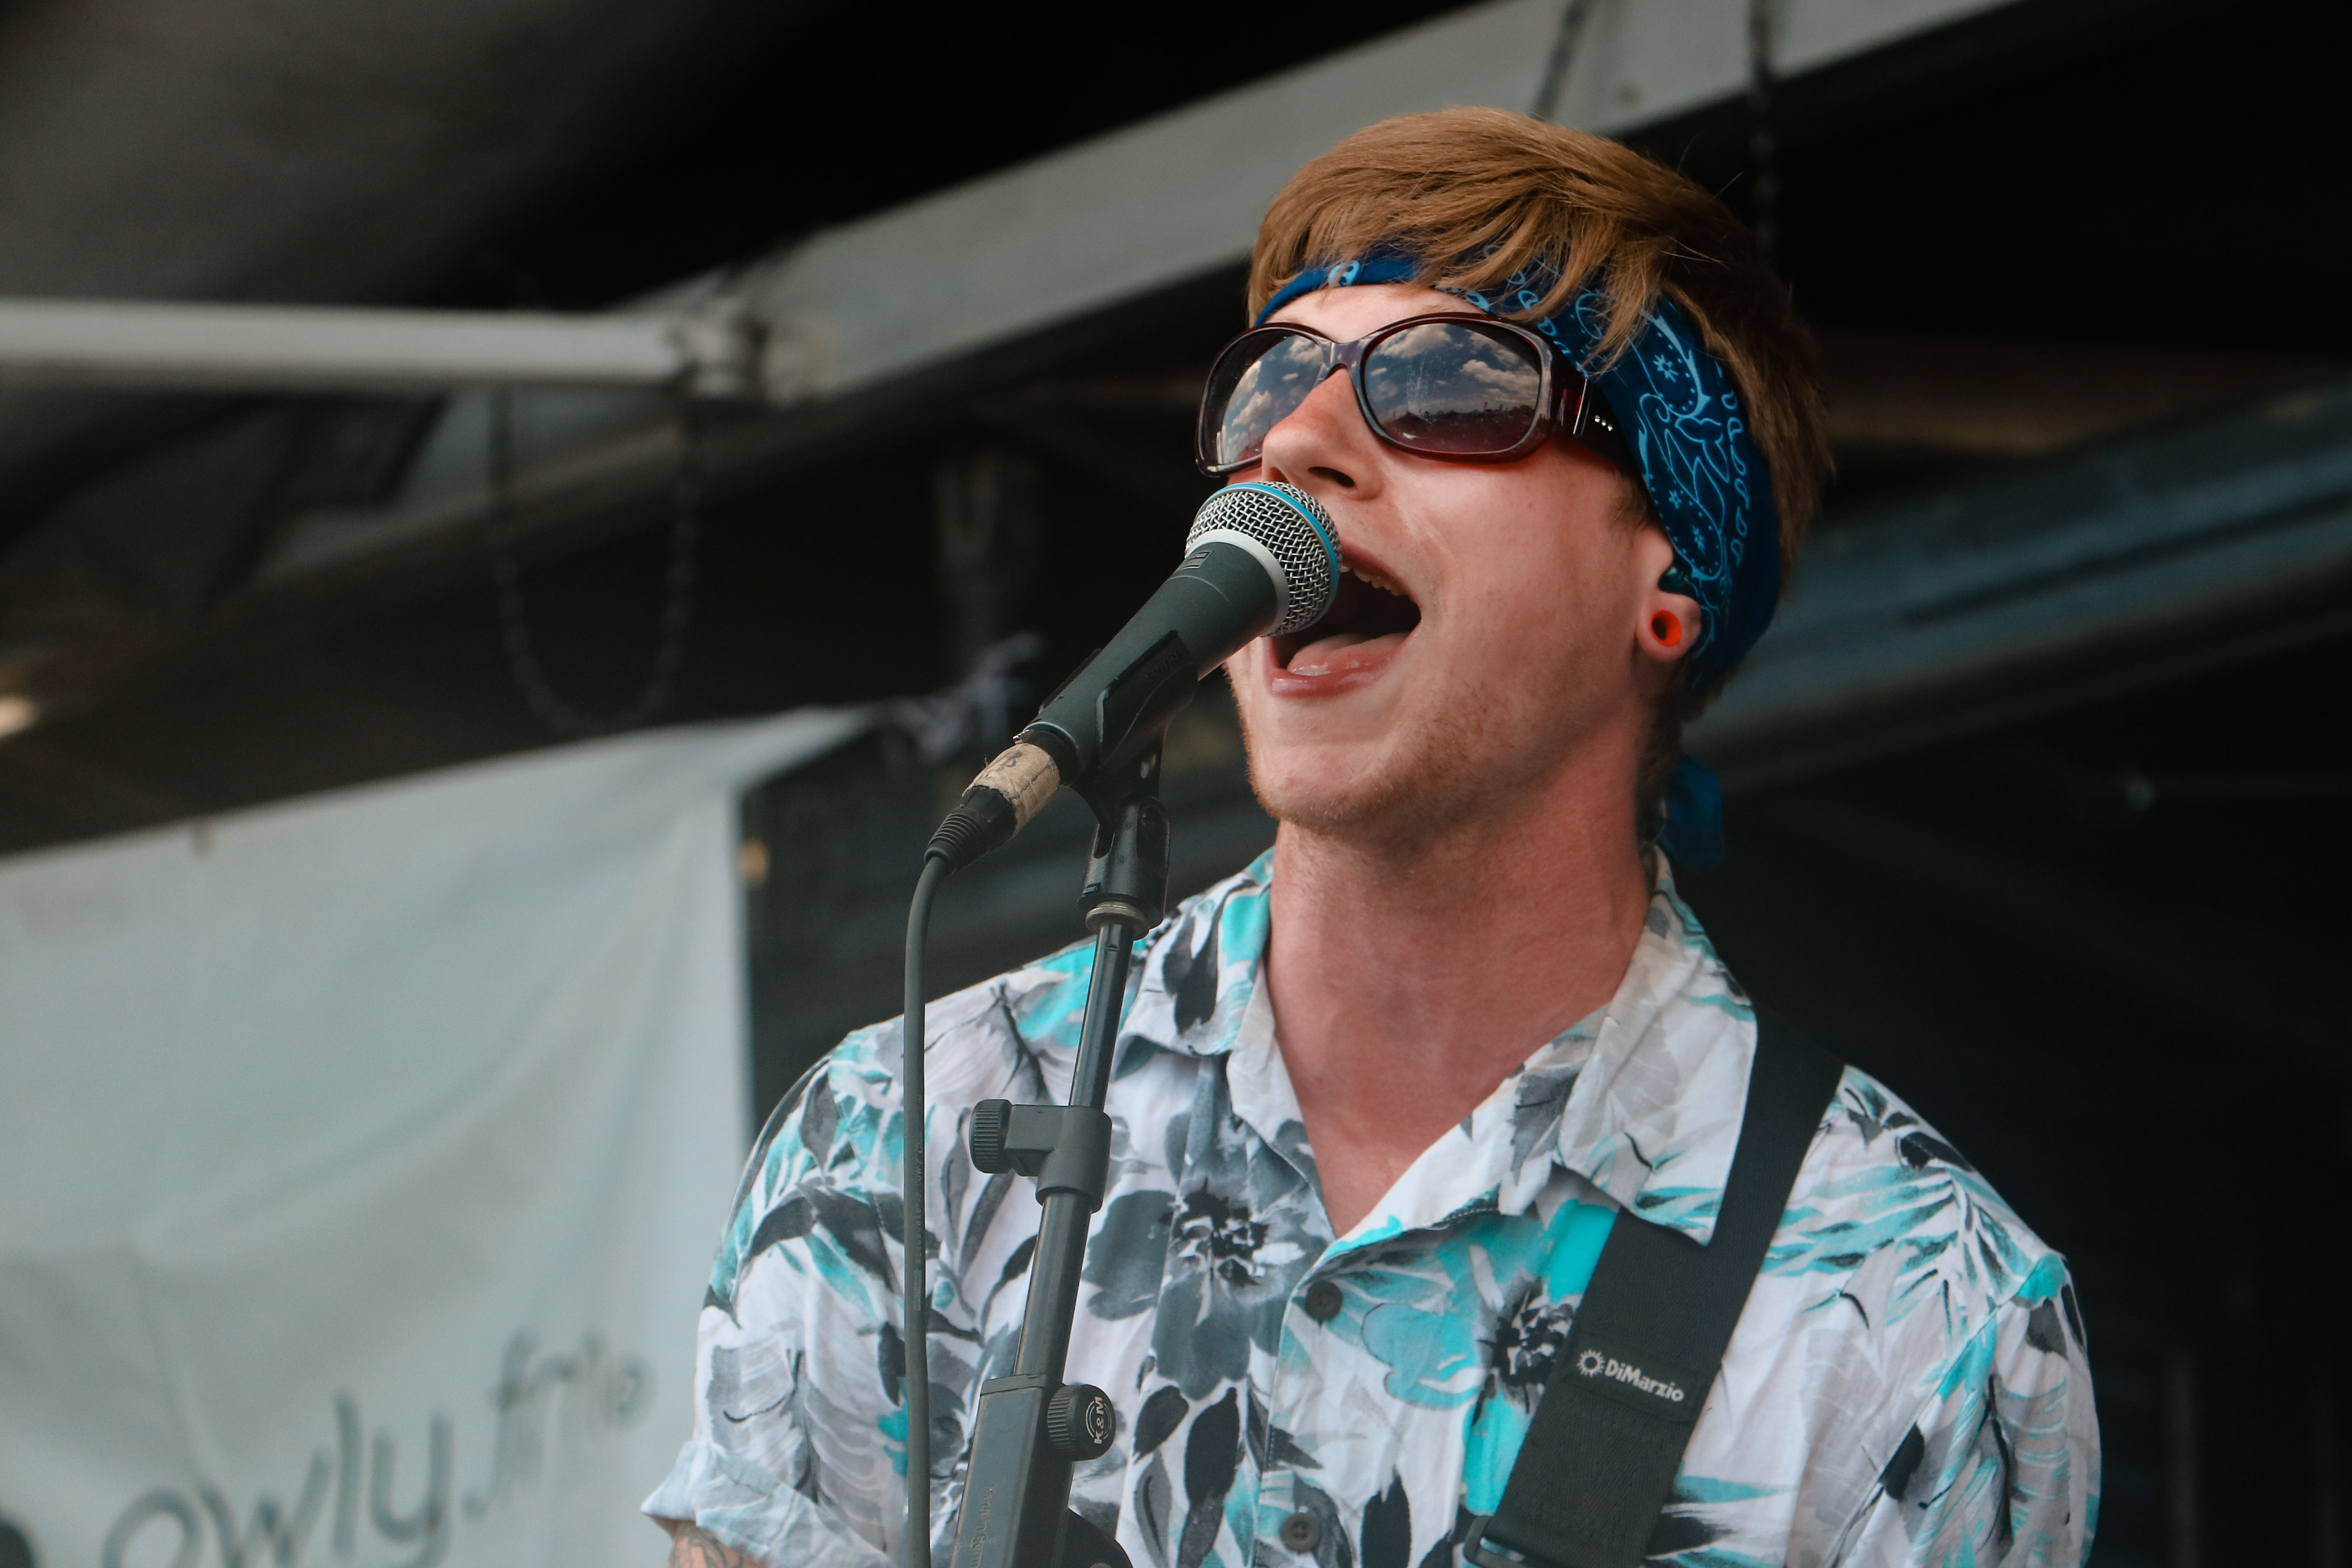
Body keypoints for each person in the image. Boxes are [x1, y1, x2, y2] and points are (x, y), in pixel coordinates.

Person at [647, 107, 2099, 1568]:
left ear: (1668, 584)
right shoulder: (907, 1130)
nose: (1297, 439)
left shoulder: (1922, 1310)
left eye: (1452, 385)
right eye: (1271, 384)